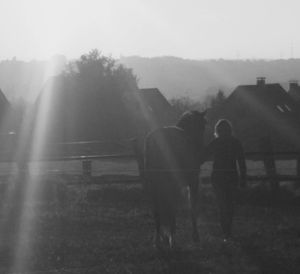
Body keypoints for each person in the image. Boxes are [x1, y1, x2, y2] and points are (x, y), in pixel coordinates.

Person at [203, 119, 246, 241]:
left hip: (219, 178)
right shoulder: (235, 142)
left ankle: (226, 232)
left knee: (223, 205)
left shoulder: (216, 142)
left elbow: (204, 155)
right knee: (228, 205)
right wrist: (243, 178)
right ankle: (227, 232)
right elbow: (242, 162)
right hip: (230, 177)